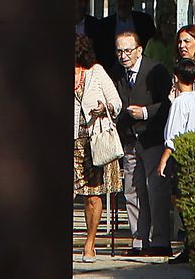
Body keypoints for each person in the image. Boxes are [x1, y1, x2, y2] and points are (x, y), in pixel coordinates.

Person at [113, 29, 172, 257]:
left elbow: (169, 104)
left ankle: (160, 242)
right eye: (119, 51)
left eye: (128, 50)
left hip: (153, 139)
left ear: (139, 50)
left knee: (156, 191)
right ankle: (139, 241)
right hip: (130, 141)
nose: (124, 55)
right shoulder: (117, 72)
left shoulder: (155, 70)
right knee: (132, 192)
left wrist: (146, 113)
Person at [74, 34, 122, 264]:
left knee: (92, 196)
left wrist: (106, 108)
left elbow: (117, 102)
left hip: (93, 142)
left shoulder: (96, 72)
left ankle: (90, 243)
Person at [155, 58, 195, 263]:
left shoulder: (179, 103)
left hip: (181, 157)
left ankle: (191, 244)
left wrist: (163, 160)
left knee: (179, 199)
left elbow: (173, 135)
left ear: (176, 78)